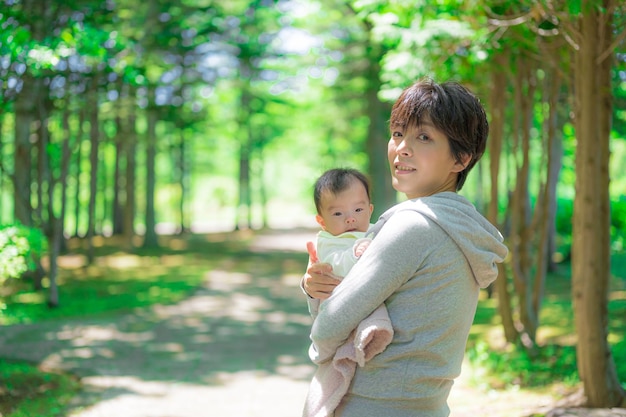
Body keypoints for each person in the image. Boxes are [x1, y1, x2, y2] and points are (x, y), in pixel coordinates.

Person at [302, 78, 509, 417]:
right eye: (398, 133)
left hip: (372, 405)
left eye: (423, 137)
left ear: (460, 159)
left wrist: (320, 347)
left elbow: (333, 322)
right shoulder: (457, 225)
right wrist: (316, 288)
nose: (402, 148)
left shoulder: (414, 226)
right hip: (425, 405)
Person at [303, 168, 394, 417]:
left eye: (358, 210)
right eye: (338, 213)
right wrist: (355, 252)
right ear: (322, 221)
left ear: (370, 209)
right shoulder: (328, 240)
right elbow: (333, 266)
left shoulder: (375, 230)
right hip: (340, 308)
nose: (350, 219)